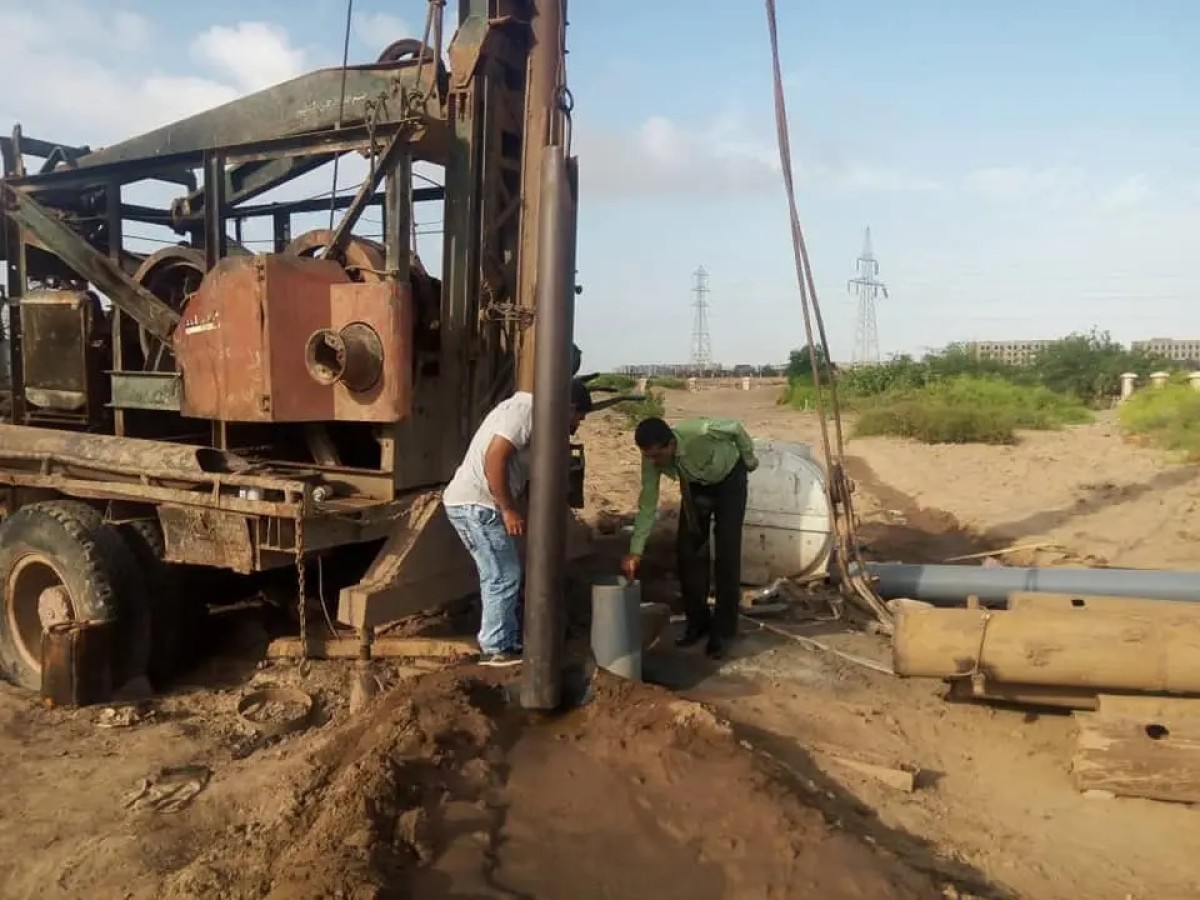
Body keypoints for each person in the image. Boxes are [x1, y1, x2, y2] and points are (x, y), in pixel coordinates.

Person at [443, 379, 593, 667]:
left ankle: (506, 640)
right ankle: (496, 648)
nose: (577, 424)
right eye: (578, 417)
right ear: (569, 406)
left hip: (473, 503)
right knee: (503, 575)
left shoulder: (528, 411)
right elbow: (495, 458)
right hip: (478, 505)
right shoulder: (527, 411)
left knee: (498, 573)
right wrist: (508, 509)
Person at [621, 416, 758, 659]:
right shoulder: (651, 460)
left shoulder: (700, 430)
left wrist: (749, 459)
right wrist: (636, 550)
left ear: (671, 445)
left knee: (726, 552)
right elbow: (648, 503)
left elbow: (736, 427)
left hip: (729, 480)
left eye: (657, 456)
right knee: (688, 552)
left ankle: (724, 631)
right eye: (648, 456)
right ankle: (698, 623)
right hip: (695, 485)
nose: (653, 462)